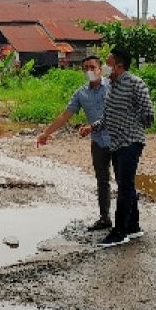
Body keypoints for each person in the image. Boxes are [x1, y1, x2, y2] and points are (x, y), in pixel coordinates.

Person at [36, 55, 112, 230]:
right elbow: (65, 115)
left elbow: (119, 112)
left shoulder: (112, 86)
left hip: (118, 139)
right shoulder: (81, 93)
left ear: (100, 68)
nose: (89, 71)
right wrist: (46, 133)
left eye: (92, 67)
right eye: (85, 68)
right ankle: (104, 217)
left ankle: (128, 219)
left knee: (124, 180)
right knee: (102, 180)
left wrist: (91, 128)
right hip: (98, 142)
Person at [91, 47, 155, 248]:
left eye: (107, 64)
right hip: (116, 142)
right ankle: (133, 227)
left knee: (124, 186)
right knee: (125, 183)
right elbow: (108, 115)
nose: (104, 68)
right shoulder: (112, 85)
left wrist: (132, 124)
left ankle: (119, 232)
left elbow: (149, 114)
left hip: (131, 142)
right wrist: (91, 128)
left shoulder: (135, 83)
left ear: (118, 65)